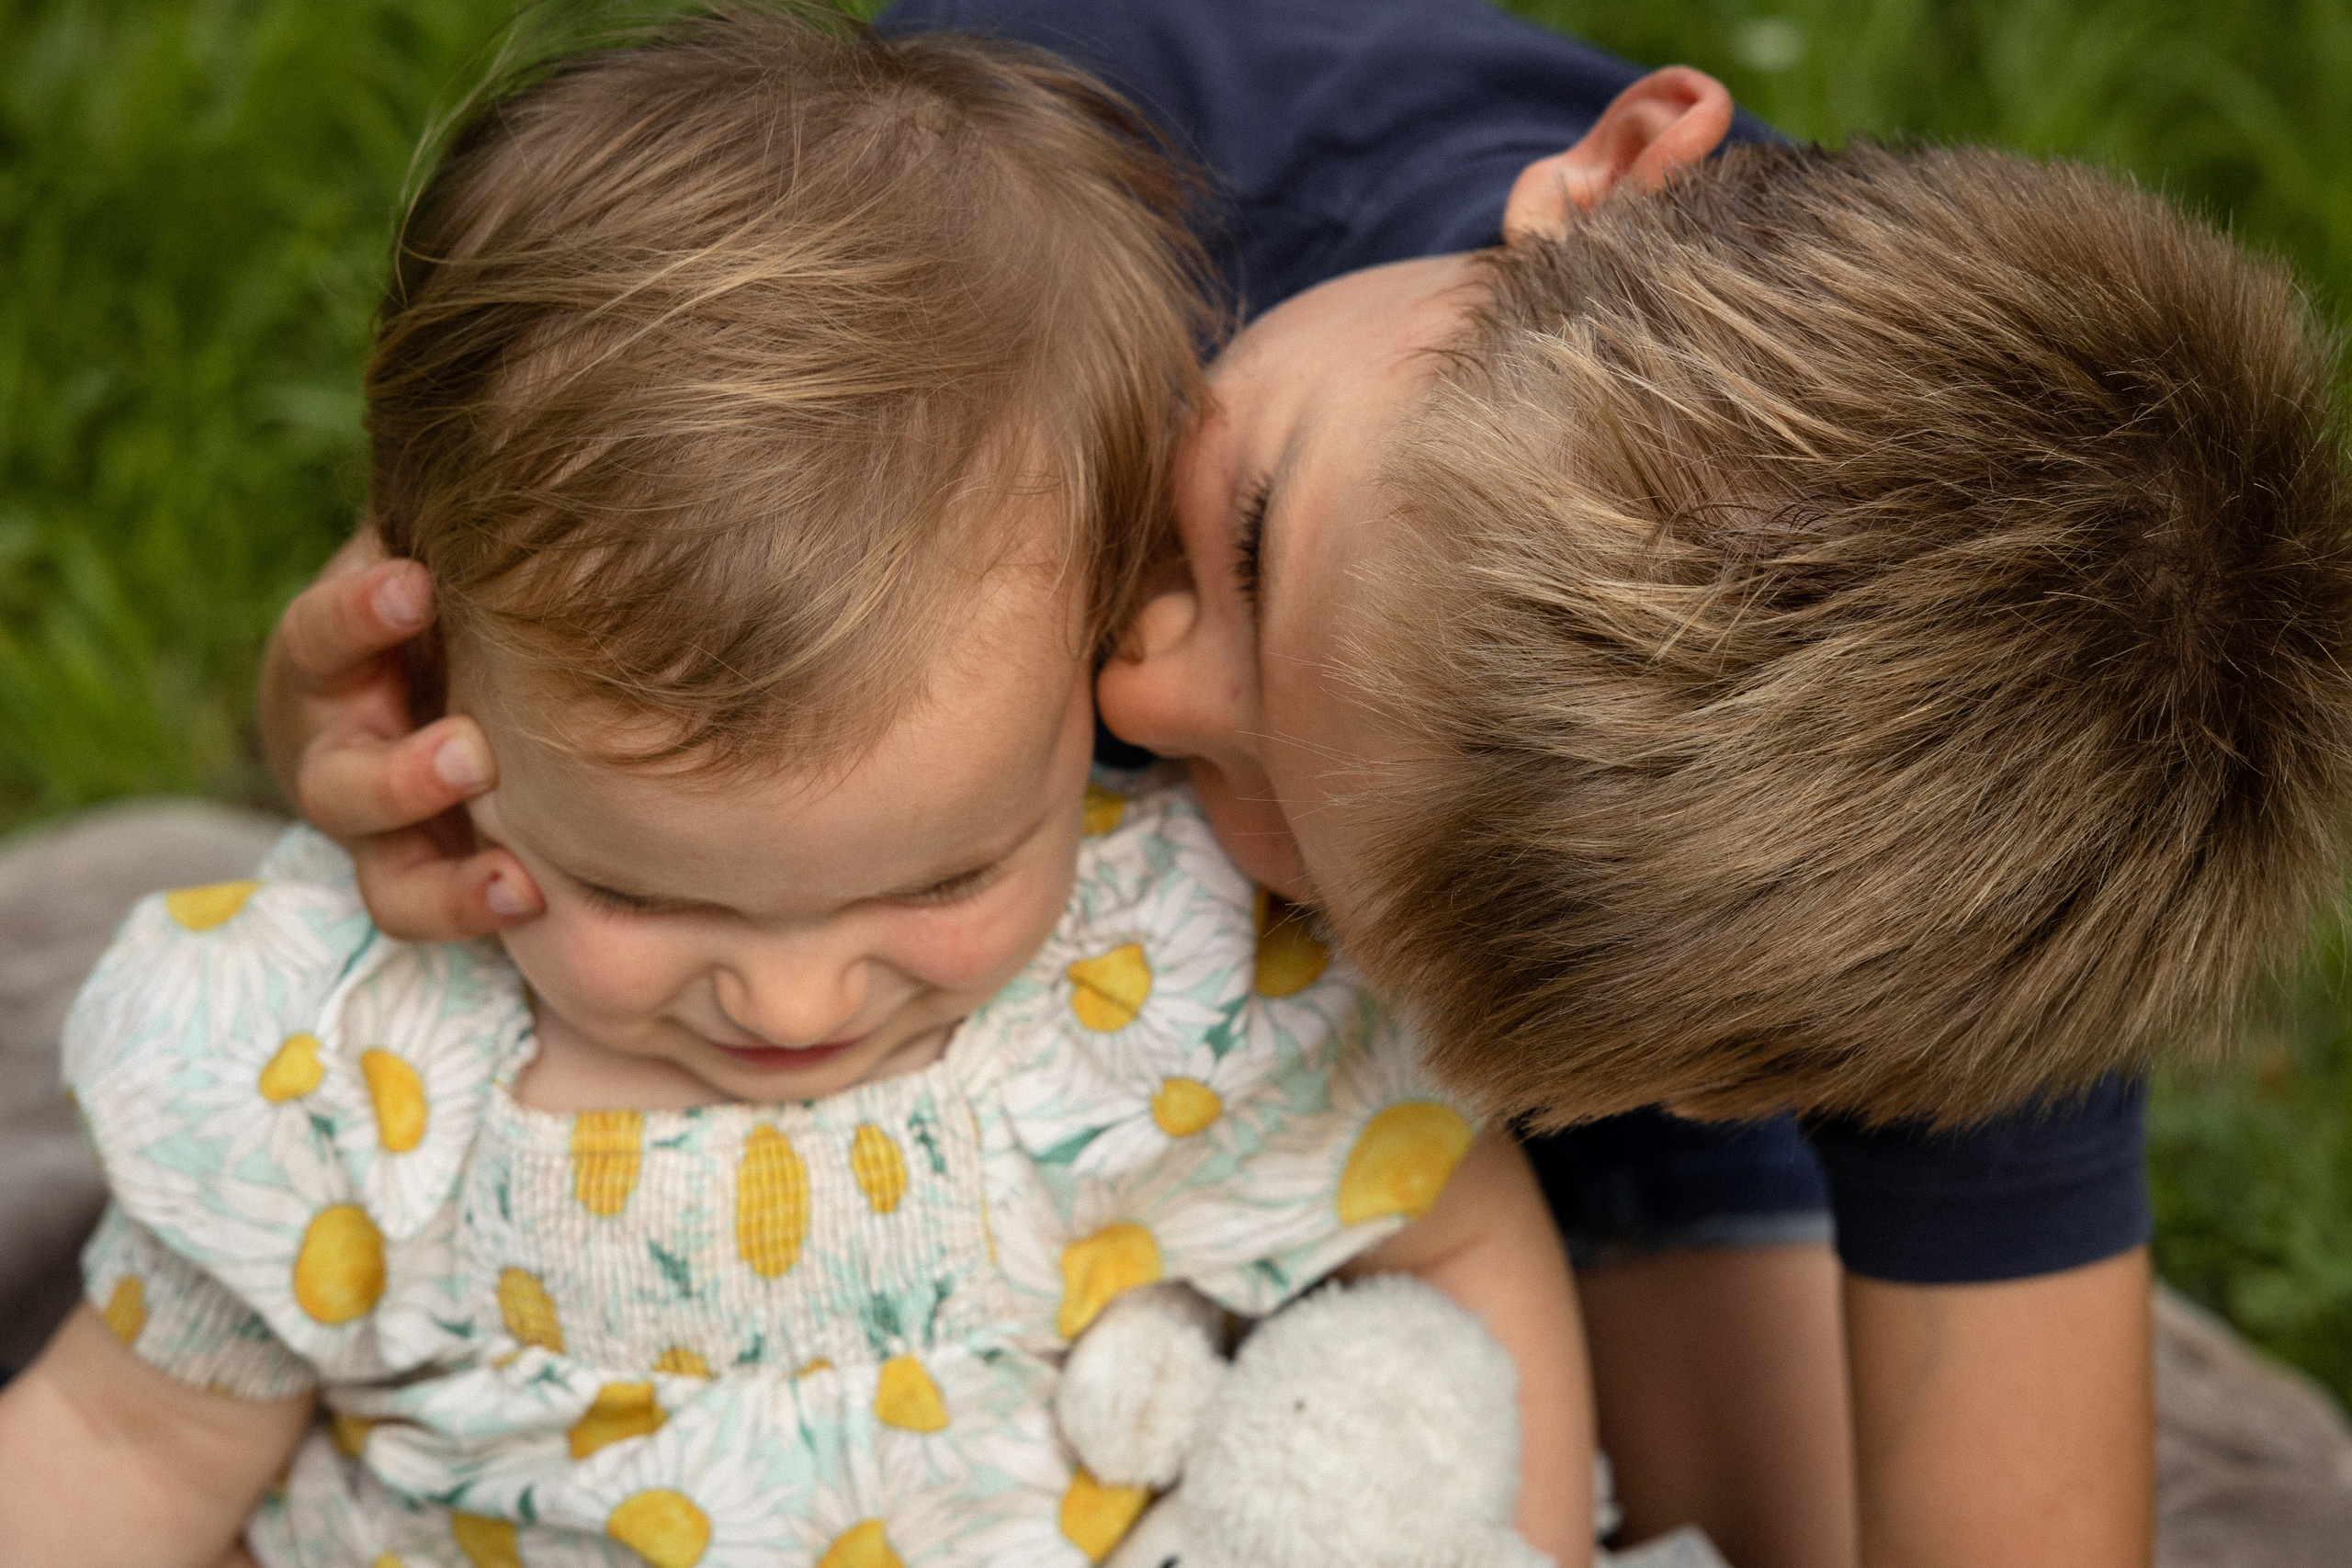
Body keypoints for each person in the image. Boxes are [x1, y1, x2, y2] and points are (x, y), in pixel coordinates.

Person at [250, 3, 2352, 1567]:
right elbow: (548, 570)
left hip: (1418, 1088)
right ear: (1607, 179)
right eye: (1253, 541)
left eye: (1304, 840)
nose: (1148, 691)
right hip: (944, 983)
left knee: (1737, 1506)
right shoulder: (1057, 154)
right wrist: (376, 725)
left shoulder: (1958, 859)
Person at [0, 12, 1589, 1567]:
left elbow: (1450, 1225)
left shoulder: (1164, 988)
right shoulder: (343, 1068)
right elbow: (123, 1442)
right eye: (643, 890)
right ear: (438, 702)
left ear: (1091, 665)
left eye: (942, 879)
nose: (793, 993)